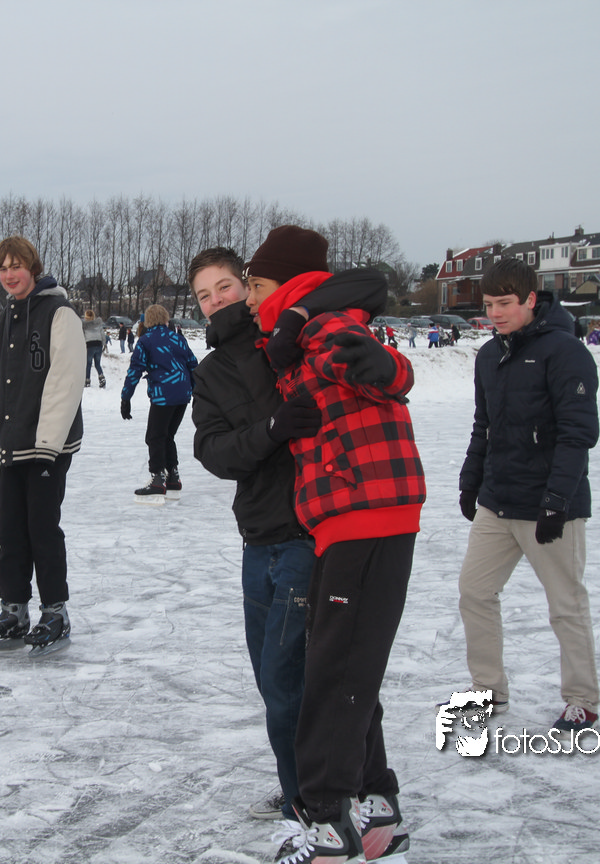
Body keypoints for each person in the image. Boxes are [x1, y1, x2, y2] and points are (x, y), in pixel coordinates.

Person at [245, 225, 422, 863]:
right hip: (347, 514)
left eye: (255, 286)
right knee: (345, 664)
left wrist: (389, 367)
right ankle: (376, 803)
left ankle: (327, 825)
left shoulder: (321, 328)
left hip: (366, 510)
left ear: (288, 285)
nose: (246, 298)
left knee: (334, 674)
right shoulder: (294, 334)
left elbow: (385, 372)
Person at [189, 246, 317, 824]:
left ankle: (314, 802)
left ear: (247, 286)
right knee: (273, 678)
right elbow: (215, 452)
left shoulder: (283, 342)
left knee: (292, 676)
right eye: (204, 295)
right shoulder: (211, 371)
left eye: (224, 287)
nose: (216, 301)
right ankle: (300, 789)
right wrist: (269, 430)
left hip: (306, 533)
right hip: (258, 537)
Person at [454, 257, 600, 737]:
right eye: (488, 304)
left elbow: (577, 435)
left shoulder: (565, 352)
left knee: (565, 603)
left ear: (531, 300)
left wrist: (557, 501)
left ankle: (581, 701)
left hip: (549, 505)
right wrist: (471, 480)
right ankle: (488, 690)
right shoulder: (488, 356)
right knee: (475, 592)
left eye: (504, 303)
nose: (494, 313)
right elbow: (484, 425)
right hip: (498, 500)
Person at [0, 236, 84, 653]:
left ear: (32, 268)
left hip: (46, 444)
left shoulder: (59, 313)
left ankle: (56, 611)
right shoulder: (8, 316)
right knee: (11, 531)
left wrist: (47, 444)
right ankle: (14, 610)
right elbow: (0, 385)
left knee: (42, 530)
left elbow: (65, 382)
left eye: (16, 266)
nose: (9, 275)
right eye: (2, 268)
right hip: (14, 441)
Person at [120, 304, 197, 498]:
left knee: (155, 436)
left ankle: (157, 479)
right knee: (167, 435)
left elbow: (135, 370)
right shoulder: (178, 338)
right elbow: (193, 365)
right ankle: (172, 476)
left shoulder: (146, 341)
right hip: (183, 394)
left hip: (164, 394)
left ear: (148, 320)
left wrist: (126, 398)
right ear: (165, 319)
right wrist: (197, 392)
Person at [82, 309, 107, 388]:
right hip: (98, 344)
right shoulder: (98, 323)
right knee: (97, 364)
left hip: (89, 345)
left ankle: (87, 380)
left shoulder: (84, 325)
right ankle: (101, 377)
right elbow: (102, 334)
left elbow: (82, 336)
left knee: (88, 364)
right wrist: (104, 344)